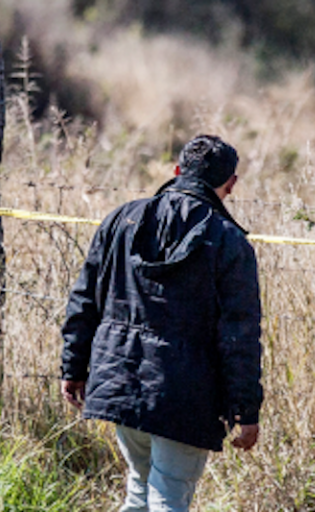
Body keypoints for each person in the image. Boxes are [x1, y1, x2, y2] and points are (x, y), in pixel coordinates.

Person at [60, 134, 263, 511]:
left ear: (177, 171)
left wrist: (73, 367)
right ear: (230, 184)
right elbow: (240, 336)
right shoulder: (231, 243)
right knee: (168, 498)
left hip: (119, 382)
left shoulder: (121, 219)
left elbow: (84, 300)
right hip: (185, 397)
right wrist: (245, 410)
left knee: (140, 491)